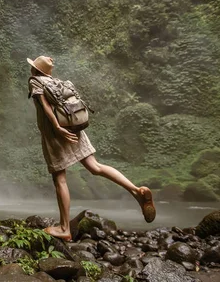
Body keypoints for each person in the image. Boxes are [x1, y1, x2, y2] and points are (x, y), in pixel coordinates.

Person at [27, 56, 155, 241]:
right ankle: (136, 191)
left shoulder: (35, 81)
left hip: (57, 133)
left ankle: (64, 228)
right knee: (95, 166)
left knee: (60, 179)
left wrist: (57, 128)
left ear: (36, 70)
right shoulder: (55, 81)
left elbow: (45, 107)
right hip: (74, 127)